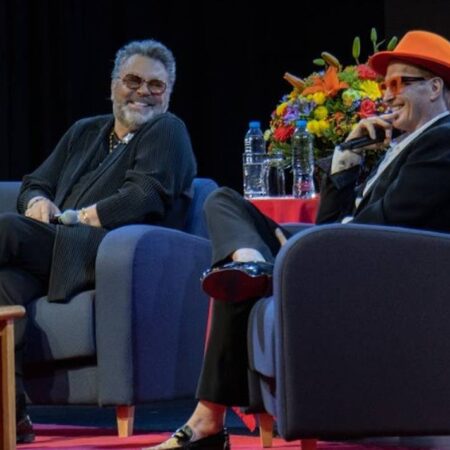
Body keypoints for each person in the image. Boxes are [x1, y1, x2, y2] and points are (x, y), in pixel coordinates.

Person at [145, 30, 450, 450]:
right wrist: (347, 157)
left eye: (399, 83)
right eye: (385, 85)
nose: (388, 95)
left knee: (236, 280)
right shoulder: (399, 144)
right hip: (347, 255)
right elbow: (332, 221)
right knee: (223, 200)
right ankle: (251, 265)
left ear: (435, 87)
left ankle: (207, 422)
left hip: (380, 275)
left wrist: (316, 245)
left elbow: (384, 223)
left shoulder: (442, 140)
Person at [5, 39, 196, 443]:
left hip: (108, 251)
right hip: (54, 248)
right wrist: (37, 200)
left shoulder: (167, 129)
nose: (143, 91)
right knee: (5, 288)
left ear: (169, 94)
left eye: (156, 86)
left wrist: (75, 217)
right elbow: (34, 181)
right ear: (113, 85)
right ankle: (12, 413)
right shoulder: (86, 131)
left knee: (4, 228)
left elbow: (145, 195)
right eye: (133, 80)